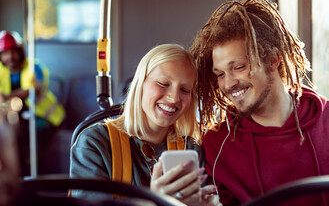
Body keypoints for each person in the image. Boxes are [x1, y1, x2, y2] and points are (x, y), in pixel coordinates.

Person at [190, 0, 329, 205]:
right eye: (220, 74)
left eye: (239, 67)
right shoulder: (217, 144)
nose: (228, 84)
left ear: (273, 60)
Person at [70, 44, 220, 205]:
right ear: (140, 84)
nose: (174, 98)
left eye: (184, 90)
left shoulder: (190, 148)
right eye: (163, 83)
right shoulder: (94, 143)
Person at [0, 30, 66, 175]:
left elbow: (35, 89)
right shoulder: (1, 71)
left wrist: (7, 96)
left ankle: (38, 177)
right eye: (5, 53)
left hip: (45, 117)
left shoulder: (33, 67)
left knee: (33, 142)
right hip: (16, 118)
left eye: (13, 52)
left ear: (20, 51)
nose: (10, 57)